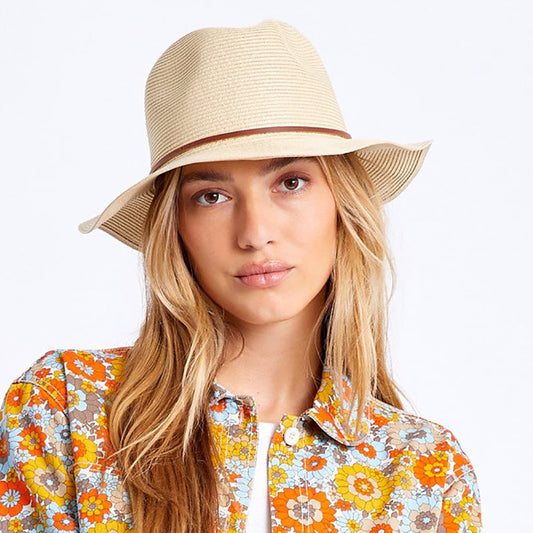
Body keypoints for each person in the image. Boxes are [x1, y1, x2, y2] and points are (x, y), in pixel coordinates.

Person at [0, 19, 482, 533]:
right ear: (176, 228)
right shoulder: (67, 409)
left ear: (343, 206)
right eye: (211, 196)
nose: (255, 233)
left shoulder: (424, 470)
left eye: (290, 182)